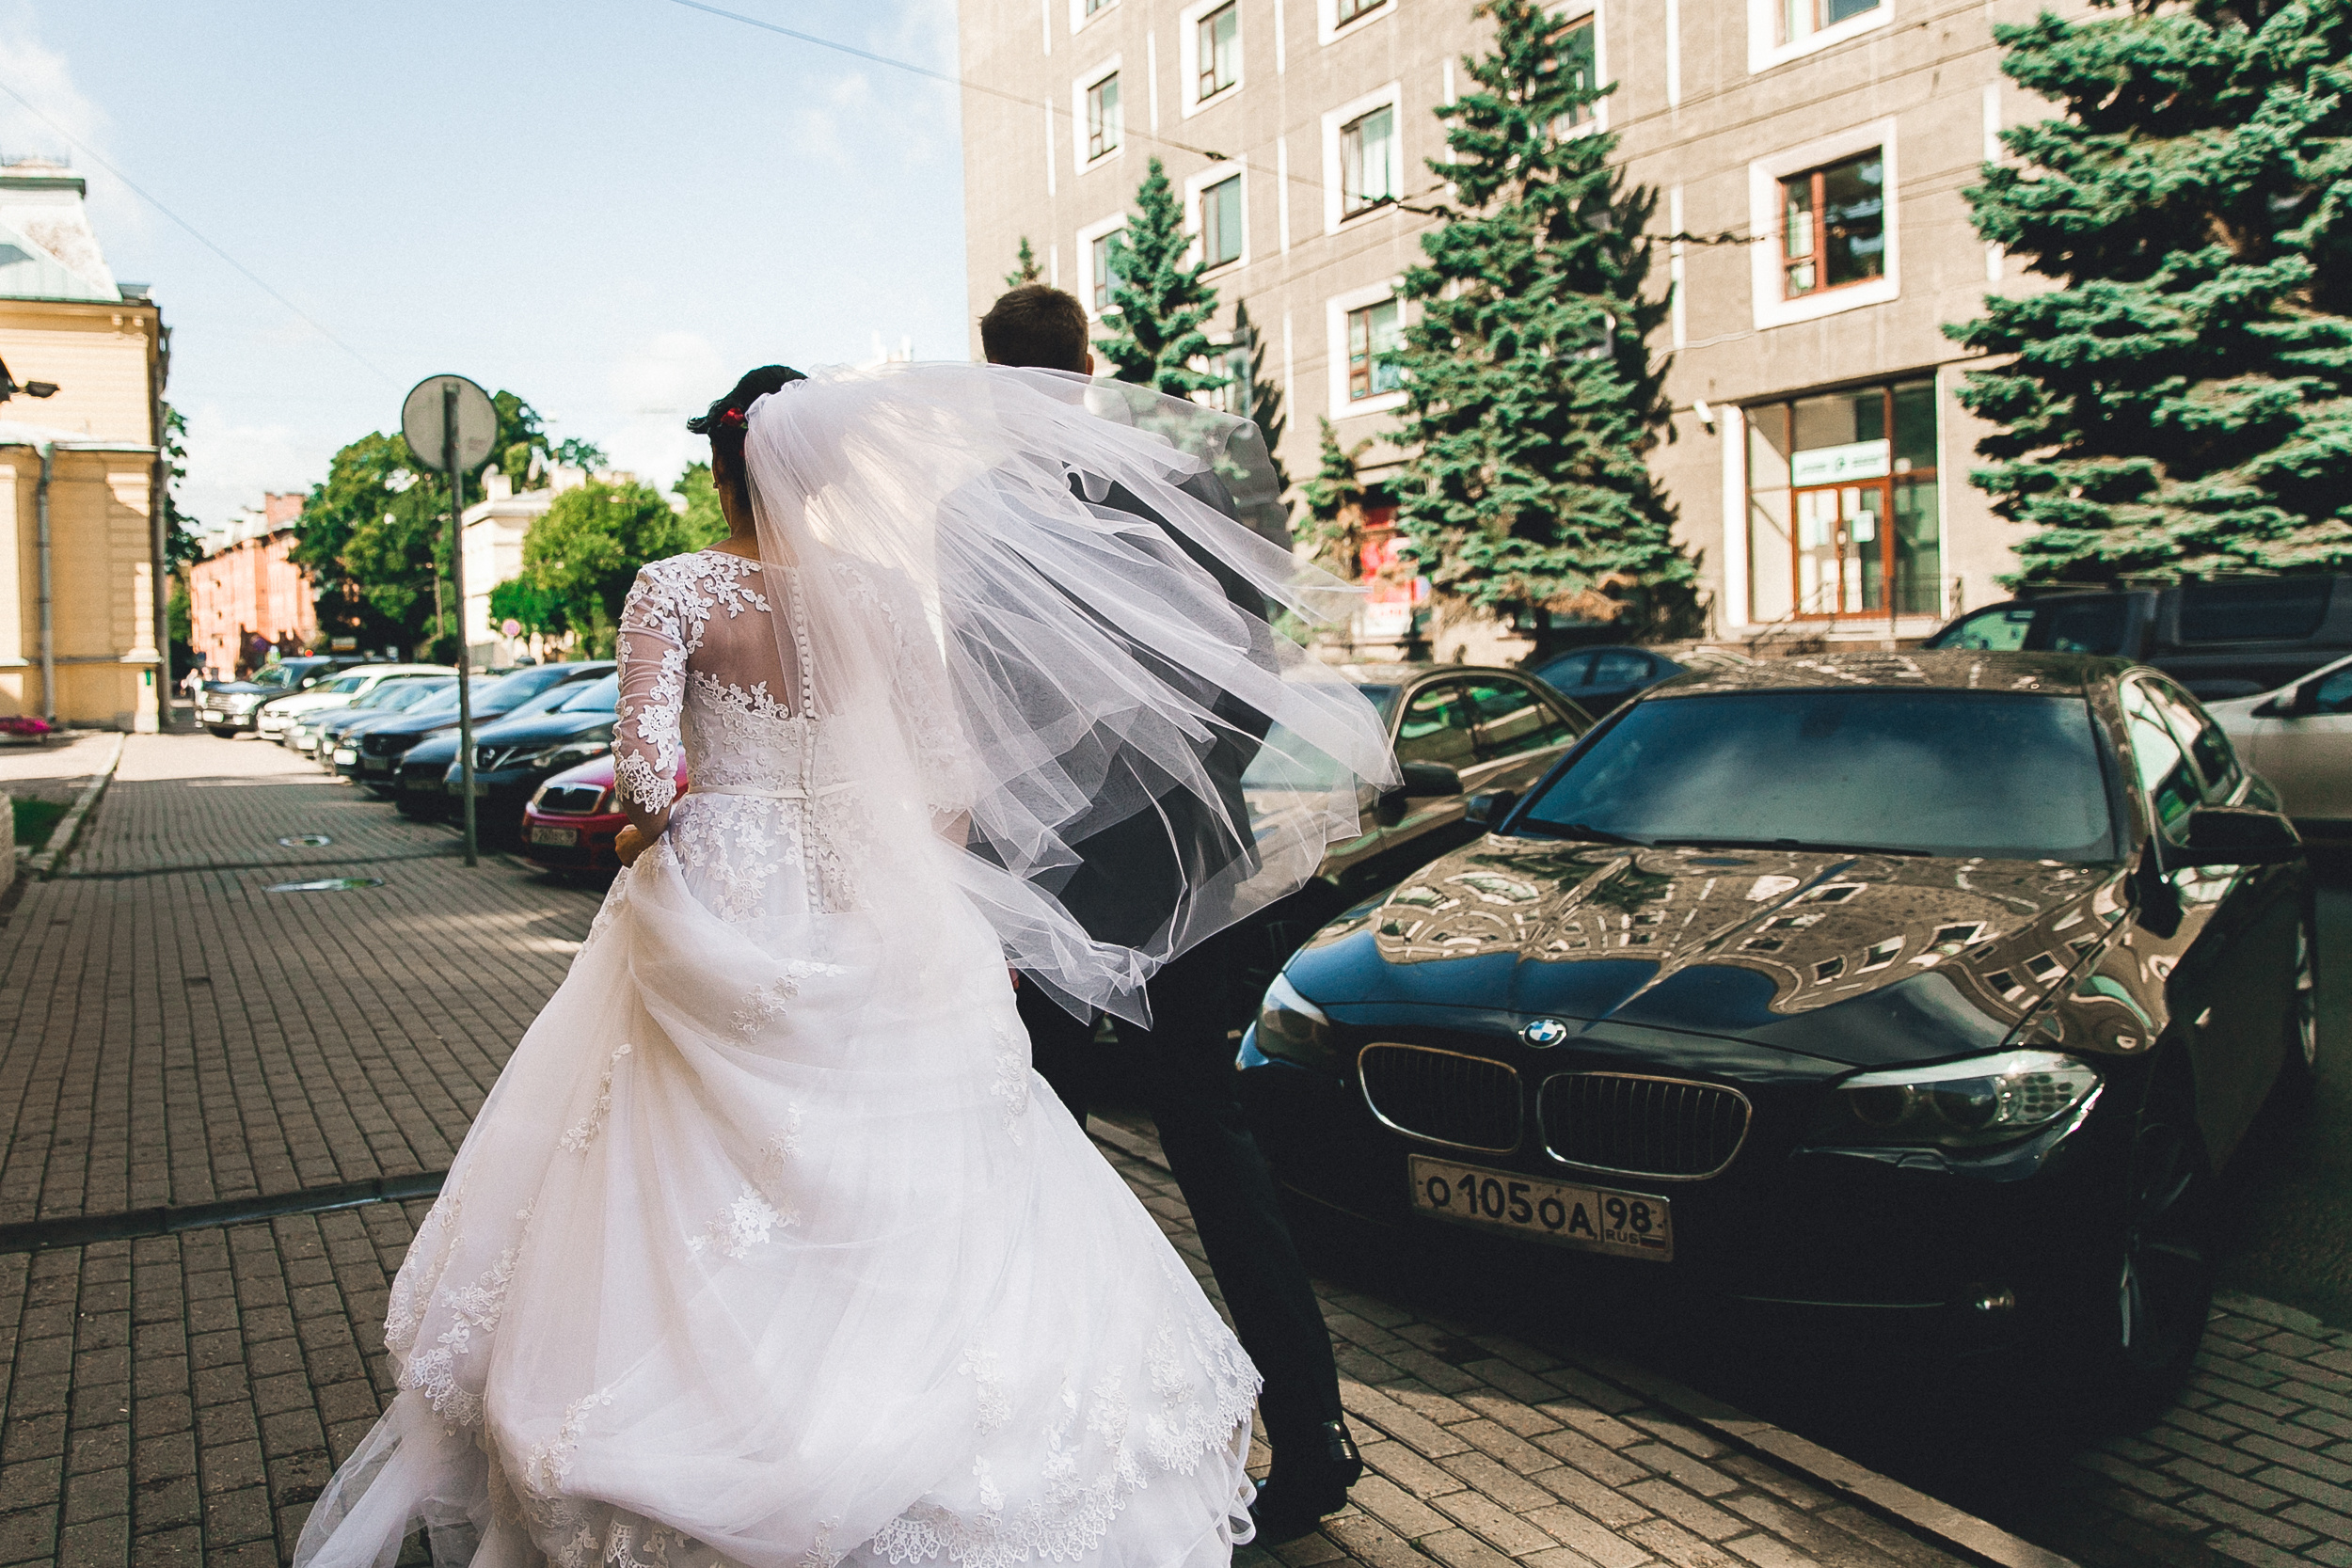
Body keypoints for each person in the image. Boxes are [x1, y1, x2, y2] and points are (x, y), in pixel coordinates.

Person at [294, 359, 1395, 1568]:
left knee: (679, 1171)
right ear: (817, 469)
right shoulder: (876, 594)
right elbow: (951, 795)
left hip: (723, 902)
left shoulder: (673, 589)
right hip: (875, 906)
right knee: (930, 1166)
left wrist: (637, 835)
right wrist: (877, 870)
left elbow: (652, 788)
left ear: (720, 464)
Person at [977, 283, 1367, 1544]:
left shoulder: (975, 513)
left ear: (991, 370)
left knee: (1047, 1155)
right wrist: (1187, 813)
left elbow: (978, 713)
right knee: (1215, 1138)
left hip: (1057, 884)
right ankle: (1312, 1426)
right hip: (1189, 870)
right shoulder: (1179, 484)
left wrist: (1040, 844)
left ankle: (1071, 1443)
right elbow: (1253, 674)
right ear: (1088, 363)